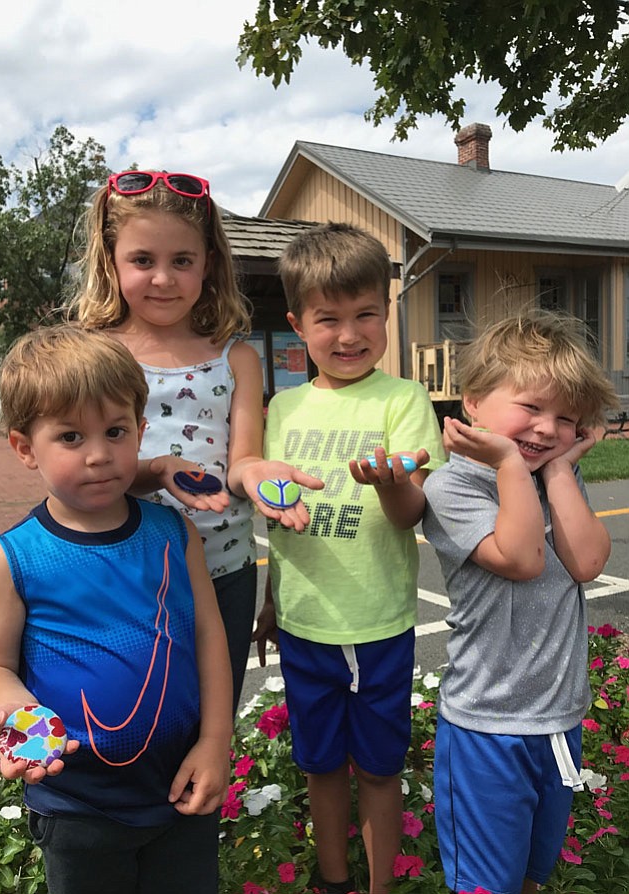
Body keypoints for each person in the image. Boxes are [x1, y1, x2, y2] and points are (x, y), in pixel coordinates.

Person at [0, 325, 234, 894]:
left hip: (179, 789)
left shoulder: (172, 533)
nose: (98, 455)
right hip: (76, 805)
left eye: (115, 431)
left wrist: (216, 742)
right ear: (23, 447)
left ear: (140, 430)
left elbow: (210, 639)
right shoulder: (11, 560)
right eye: (69, 436)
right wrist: (14, 714)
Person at [70, 170, 321, 713]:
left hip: (224, 571)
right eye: (143, 260)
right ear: (111, 259)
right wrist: (155, 470)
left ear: (209, 263)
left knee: (211, 722)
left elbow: (242, 458)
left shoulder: (238, 358)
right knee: (128, 714)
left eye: (182, 260)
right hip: (117, 569)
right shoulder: (91, 356)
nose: (164, 278)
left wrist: (254, 475)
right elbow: (81, 472)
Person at [253, 222, 447, 894]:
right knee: (319, 766)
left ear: (387, 311)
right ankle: (333, 880)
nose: (348, 334)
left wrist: (392, 480)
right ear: (296, 324)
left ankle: (379, 887)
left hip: (378, 624)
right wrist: (270, 606)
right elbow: (278, 520)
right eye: (327, 318)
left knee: (380, 769)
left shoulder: (404, 400)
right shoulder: (282, 408)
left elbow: (411, 514)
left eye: (366, 314)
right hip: (305, 625)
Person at [421, 310, 620, 894]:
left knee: (531, 873)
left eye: (566, 418)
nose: (545, 429)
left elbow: (586, 563)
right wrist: (509, 463)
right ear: (474, 401)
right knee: (486, 885)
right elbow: (522, 556)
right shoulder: (453, 486)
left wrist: (558, 472)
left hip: (559, 720)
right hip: (487, 728)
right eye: (531, 407)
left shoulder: (553, 476)